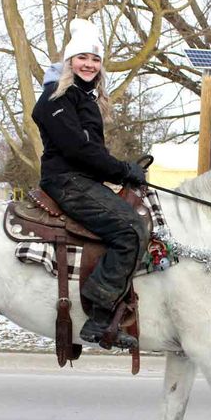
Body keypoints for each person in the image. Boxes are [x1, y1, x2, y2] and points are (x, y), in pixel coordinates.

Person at [32, 19, 149, 351]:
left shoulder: (85, 97)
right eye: (83, 57)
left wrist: (123, 170)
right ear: (70, 61)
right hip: (66, 181)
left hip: (83, 179)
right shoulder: (57, 98)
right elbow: (79, 149)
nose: (89, 64)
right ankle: (98, 318)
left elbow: (93, 151)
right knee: (130, 229)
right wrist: (123, 171)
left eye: (95, 59)